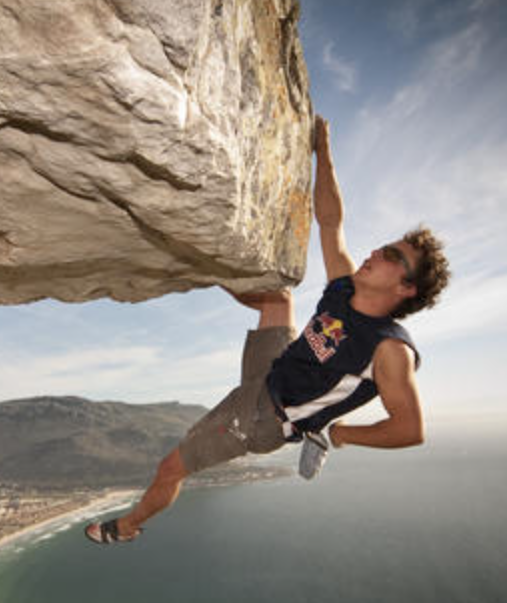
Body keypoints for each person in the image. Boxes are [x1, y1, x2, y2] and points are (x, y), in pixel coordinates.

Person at [85, 115, 451, 545]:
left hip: (264, 418)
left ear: (406, 288)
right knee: (279, 297)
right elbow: (331, 224)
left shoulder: (389, 350)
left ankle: (126, 528)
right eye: (385, 245)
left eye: (391, 255)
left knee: (172, 467)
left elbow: (410, 429)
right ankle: (202, 266)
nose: (376, 250)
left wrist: (343, 433)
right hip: (275, 369)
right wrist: (323, 151)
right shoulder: (344, 288)